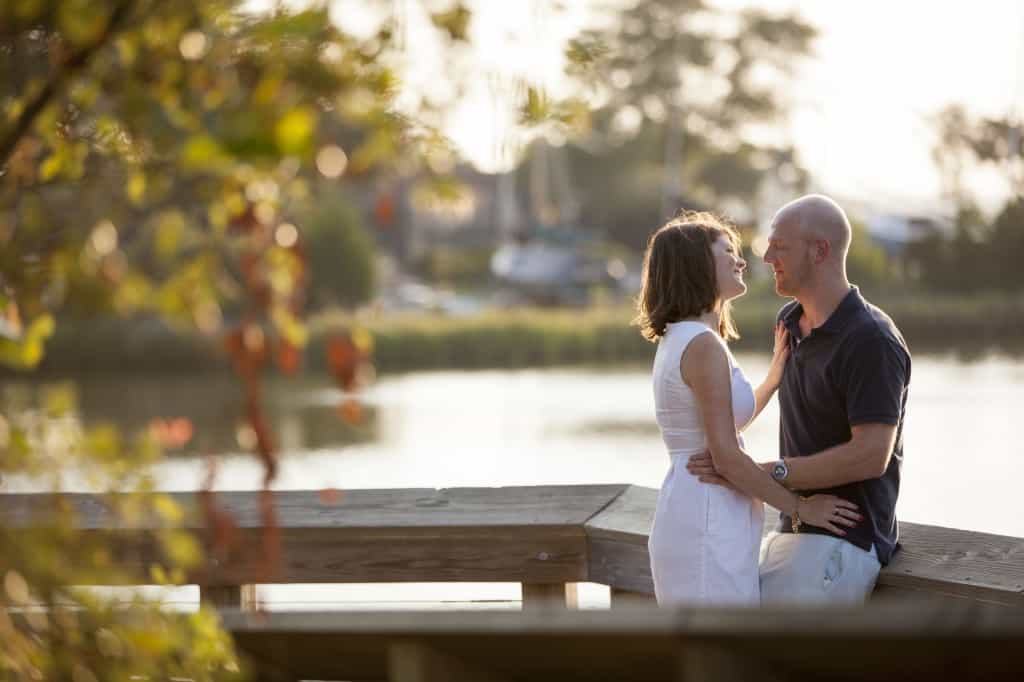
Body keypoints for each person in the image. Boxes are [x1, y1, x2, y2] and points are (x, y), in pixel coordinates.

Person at [687, 195, 911, 604]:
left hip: (842, 543)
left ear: (820, 250)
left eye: (780, 246)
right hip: (790, 531)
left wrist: (763, 473)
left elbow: (870, 455)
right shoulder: (789, 322)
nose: (768, 255)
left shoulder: (870, 339)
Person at [636, 210, 860, 606]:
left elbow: (722, 424)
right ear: (698, 266)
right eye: (727, 252)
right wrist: (800, 508)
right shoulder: (702, 347)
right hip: (706, 520)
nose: (741, 261)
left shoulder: (687, 339)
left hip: (704, 512)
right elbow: (726, 457)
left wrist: (774, 377)